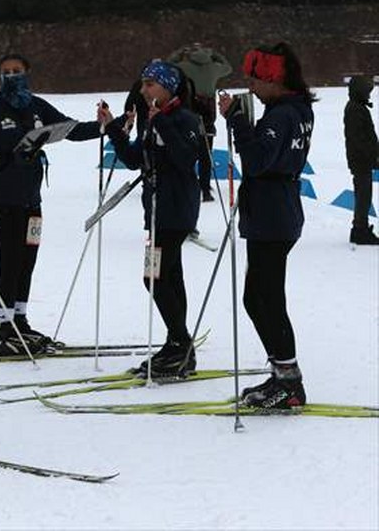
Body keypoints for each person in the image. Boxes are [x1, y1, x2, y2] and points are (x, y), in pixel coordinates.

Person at [0, 53, 106, 356]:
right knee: (11, 261)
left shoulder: (36, 106)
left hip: (32, 198)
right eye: (6, 71)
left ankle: (20, 321)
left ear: (27, 73)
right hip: (3, 197)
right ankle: (4, 329)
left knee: (27, 261)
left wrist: (106, 126)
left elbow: (70, 130)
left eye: (16, 71)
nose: (11, 76)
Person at [219, 42, 315, 409]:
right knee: (256, 297)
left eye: (256, 79)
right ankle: (282, 372)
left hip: (273, 215)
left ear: (277, 79)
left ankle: (290, 382)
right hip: (273, 211)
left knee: (266, 299)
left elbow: (258, 159)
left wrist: (237, 121)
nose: (251, 86)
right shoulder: (292, 108)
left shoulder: (283, 115)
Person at [104, 60, 202, 377]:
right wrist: (113, 131)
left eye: (150, 84)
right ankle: (176, 344)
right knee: (170, 277)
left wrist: (162, 125)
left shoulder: (184, 118)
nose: (144, 90)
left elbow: (187, 159)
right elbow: (135, 160)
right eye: (143, 83)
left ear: (168, 87)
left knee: (153, 277)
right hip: (157, 210)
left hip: (177, 210)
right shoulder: (151, 119)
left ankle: (181, 345)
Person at [169, 44, 232, 202]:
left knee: (187, 149)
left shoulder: (184, 66)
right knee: (206, 151)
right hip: (209, 111)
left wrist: (179, 52)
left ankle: (186, 185)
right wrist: (215, 54)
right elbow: (228, 67)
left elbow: (168, 66)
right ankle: (205, 188)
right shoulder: (213, 67)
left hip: (190, 108)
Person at [344, 74, 379, 245]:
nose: (369, 95)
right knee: (363, 195)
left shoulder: (358, 107)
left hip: (362, 160)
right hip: (361, 161)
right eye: (367, 91)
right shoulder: (355, 109)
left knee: (364, 194)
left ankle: (361, 227)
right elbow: (359, 139)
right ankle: (359, 229)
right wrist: (373, 157)